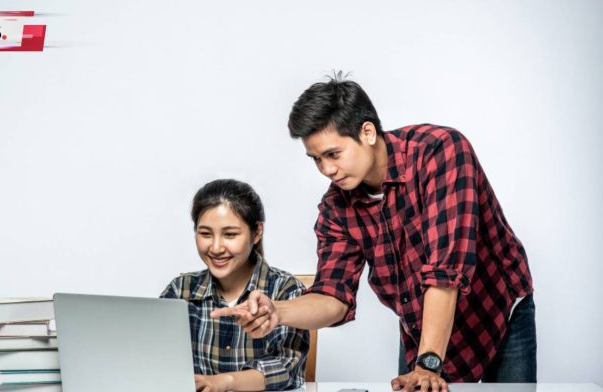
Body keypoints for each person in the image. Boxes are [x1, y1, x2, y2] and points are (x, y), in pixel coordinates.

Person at [212, 74, 536, 391]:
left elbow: (445, 271)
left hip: (496, 309)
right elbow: (333, 297)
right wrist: (276, 311)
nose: (326, 169)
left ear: (367, 132)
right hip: (421, 326)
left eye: (333, 154)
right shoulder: (336, 208)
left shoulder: (440, 152)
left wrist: (428, 364)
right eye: (316, 159)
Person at [161, 179, 309, 392]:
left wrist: (223, 382)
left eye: (230, 234)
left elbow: (287, 369)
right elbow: (158, 357)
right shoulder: (180, 290)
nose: (216, 247)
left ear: (257, 233)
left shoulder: (286, 290)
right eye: (205, 234)